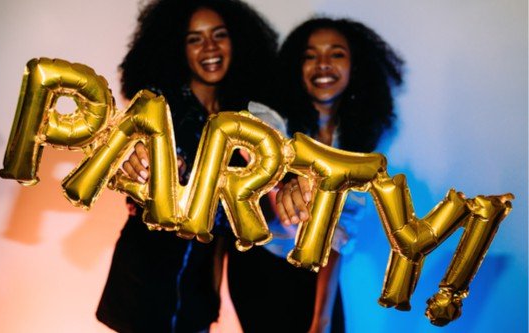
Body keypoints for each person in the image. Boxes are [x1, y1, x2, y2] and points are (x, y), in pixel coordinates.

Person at [95, 1, 282, 332]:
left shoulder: (248, 119)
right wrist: (142, 167)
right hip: (145, 282)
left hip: (201, 287)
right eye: (194, 39)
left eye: (219, 35)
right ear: (177, 48)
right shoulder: (157, 105)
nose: (209, 47)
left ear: (237, 40)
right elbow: (134, 153)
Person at [227, 17, 405, 333]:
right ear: (297, 67)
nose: (322, 64)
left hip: (316, 270)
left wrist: (321, 319)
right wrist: (283, 183)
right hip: (261, 267)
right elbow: (253, 153)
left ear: (356, 67)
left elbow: (337, 236)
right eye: (310, 55)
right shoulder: (270, 119)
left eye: (336, 54)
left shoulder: (357, 145)